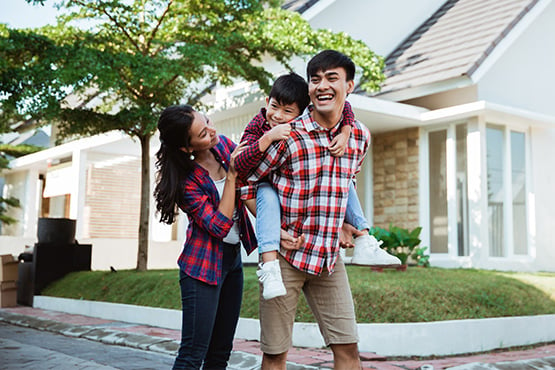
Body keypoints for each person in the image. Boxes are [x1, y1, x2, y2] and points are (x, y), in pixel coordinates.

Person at [239, 50, 373, 369]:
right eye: (316, 79)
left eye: (332, 78)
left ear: (349, 85)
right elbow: (245, 179)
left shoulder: (358, 137)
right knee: (275, 355)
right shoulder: (288, 135)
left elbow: (346, 181)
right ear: (309, 89)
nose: (323, 85)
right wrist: (273, 231)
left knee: (348, 351)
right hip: (286, 257)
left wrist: (343, 221)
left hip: (328, 257)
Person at [236, 72, 400, 300]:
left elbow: (347, 109)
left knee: (345, 178)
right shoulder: (259, 123)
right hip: (262, 185)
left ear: (302, 113)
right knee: (268, 196)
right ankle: (269, 266)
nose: (278, 116)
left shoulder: (300, 130)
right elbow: (240, 167)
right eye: (275, 107)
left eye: (288, 112)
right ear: (267, 103)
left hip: (308, 223)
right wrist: (268, 137)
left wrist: (345, 131)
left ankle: (363, 237)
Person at [153, 105, 256, 370]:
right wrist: (232, 176)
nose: (212, 131)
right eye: (202, 133)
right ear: (187, 148)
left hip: (232, 261)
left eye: (207, 122)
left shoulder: (221, 147)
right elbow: (220, 226)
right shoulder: (188, 183)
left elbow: (252, 163)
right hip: (202, 269)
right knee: (192, 354)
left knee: (220, 352)